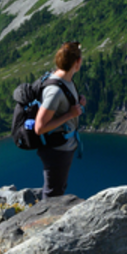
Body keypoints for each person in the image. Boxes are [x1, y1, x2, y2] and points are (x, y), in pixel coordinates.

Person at [32, 41, 86, 197]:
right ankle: (46, 220)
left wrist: (77, 103)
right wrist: (70, 115)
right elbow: (39, 127)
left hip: (63, 146)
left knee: (58, 187)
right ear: (77, 62)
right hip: (57, 149)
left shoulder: (65, 80)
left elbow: (63, 106)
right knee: (53, 192)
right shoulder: (55, 90)